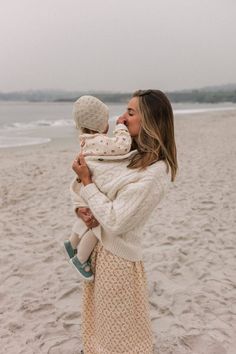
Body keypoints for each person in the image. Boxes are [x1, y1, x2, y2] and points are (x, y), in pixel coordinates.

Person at [72, 89, 178, 354]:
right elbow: (88, 185)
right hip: (99, 249)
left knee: (117, 335)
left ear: (151, 120)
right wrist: (80, 207)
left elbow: (116, 220)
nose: (121, 118)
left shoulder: (155, 173)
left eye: (130, 113)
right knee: (98, 326)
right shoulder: (127, 154)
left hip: (118, 259)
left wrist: (87, 184)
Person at [64, 95, 132, 281]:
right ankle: (80, 258)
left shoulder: (85, 141)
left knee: (87, 216)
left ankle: (72, 242)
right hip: (95, 185)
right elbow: (123, 146)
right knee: (97, 225)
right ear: (102, 124)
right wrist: (121, 126)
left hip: (86, 185)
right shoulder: (101, 141)